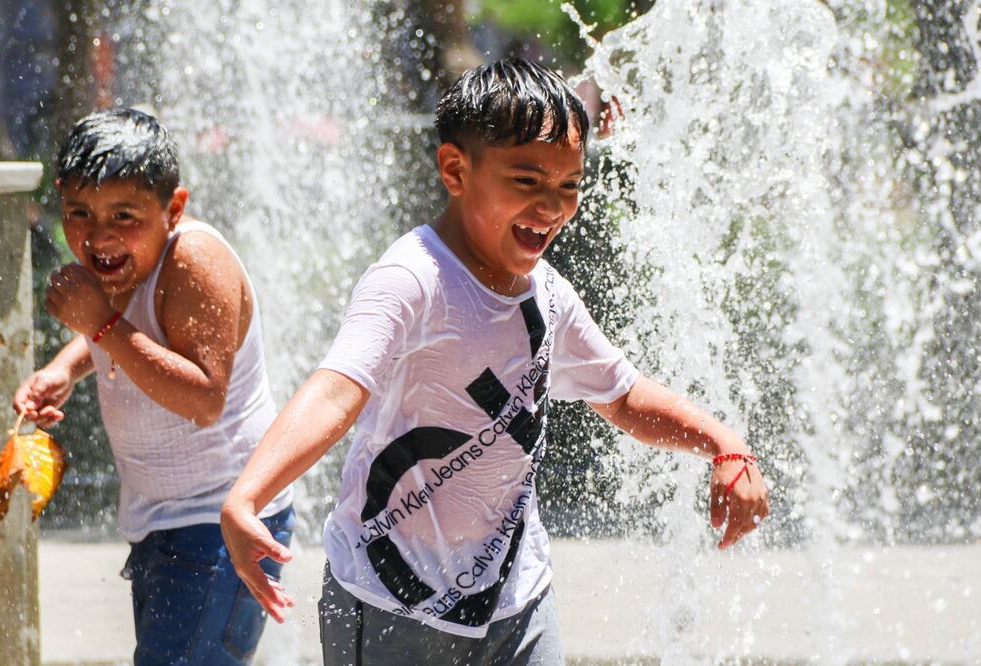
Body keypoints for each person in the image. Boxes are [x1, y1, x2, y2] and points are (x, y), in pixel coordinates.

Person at [221, 58, 768, 665]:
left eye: (569, 186)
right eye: (527, 182)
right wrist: (248, 495)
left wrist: (725, 443)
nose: (552, 207)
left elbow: (623, 395)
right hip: (390, 602)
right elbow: (337, 389)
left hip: (517, 602)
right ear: (456, 169)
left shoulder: (547, 293)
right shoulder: (414, 279)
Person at [13, 108, 294, 666]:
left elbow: (204, 398)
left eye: (124, 214)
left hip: (220, 524)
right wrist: (66, 368)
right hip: (161, 521)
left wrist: (98, 324)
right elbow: (133, 329)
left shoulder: (192, 259)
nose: (98, 235)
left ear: (174, 208)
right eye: (79, 213)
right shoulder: (120, 256)